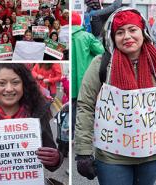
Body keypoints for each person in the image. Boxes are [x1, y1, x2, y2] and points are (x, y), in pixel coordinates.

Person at [75, 7, 156, 185]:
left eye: (132, 30)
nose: (127, 36)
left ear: (143, 32)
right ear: (113, 37)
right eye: (120, 32)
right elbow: (86, 106)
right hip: (112, 156)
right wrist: (83, 151)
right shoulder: (101, 64)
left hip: (152, 153)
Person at [71, 11, 104, 144]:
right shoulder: (87, 36)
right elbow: (101, 51)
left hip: (71, 82)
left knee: (73, 108)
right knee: (88, 107)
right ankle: (91, 135)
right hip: (86, 80)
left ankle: (72, 134)